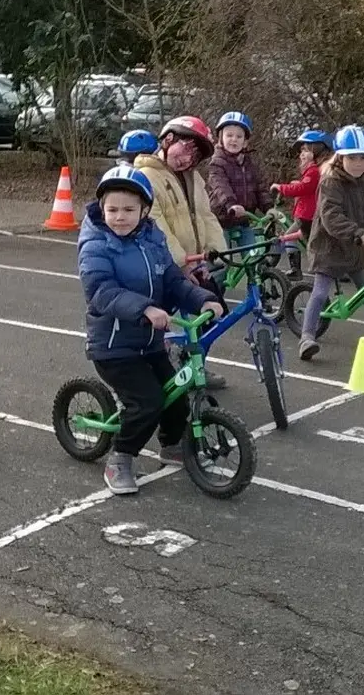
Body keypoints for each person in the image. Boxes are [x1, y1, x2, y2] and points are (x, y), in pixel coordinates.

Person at [77, 165, 225, 495]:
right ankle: (120, 459)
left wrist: (204, 299)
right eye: (112, 209)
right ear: (102, 208)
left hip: (149, 342)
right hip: (115, 346)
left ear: (144, 211)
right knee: (147, 401)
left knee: (175, 398)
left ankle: (172, 445)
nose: (119, 217)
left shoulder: (152, 240)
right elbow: (101, 291)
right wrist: (143, 308)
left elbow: (172, 280)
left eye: (129, 210)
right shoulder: (96, 245)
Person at [133, 115, 229, 388]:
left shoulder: (194, 179)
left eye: (195, 156)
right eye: (185, 149)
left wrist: (218, 253)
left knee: (213, 310)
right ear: (167, 140)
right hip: (163, 266)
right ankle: (152, 375)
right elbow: (157, 223)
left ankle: (194, 363)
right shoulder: (147, 176)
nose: (188, 159)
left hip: (195, 262)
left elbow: (206, 215)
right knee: (153, 324)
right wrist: (181, 262)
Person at [300, 124, 364, 361]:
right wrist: (357, 233)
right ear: (340, 157)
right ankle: (307, 336)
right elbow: (331, 217)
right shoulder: (330, 182)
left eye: (363, 158)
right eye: (352, 157)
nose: (357, 163)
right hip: (329, 247)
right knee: (320, 290)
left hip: (353, 247)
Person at [206, 111, 274, 250]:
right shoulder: (216, 163)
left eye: (239, 136)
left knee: (253, 257)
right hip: (222, 219)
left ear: (245, 142)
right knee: (221, 260)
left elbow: (260, 188)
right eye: (229, 135)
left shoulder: (250, 164)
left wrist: (268, 208)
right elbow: (220, 187)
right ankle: (219, 271)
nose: (234, 139)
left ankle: (254, 271)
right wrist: (231, 204)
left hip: (244, 219)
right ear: (221, 138)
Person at [270, 129, 331, 280]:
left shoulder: (314, 171)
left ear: (316, 151)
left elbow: (304, 188)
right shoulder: (314, 171)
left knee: (289, 238)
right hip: (307, 214)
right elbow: (308, 187)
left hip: (306, 215)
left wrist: (281, 188)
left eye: (305, 150)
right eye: (301, 151)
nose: (301, 154)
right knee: (315, 243)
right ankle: (332, 269)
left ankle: (296, 270)